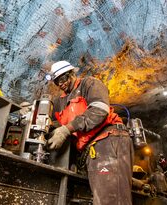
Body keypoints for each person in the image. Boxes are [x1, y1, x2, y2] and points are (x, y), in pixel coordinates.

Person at [46, 60, 134, 205]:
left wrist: (66, 129)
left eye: (63, 79)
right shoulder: (60, 102)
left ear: (72, 74)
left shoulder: (89, 84)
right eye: (57, 82)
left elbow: (99, 111)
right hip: (90, 151)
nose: (60, 84)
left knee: (110, 199)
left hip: (108, 141)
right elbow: (53, 121)